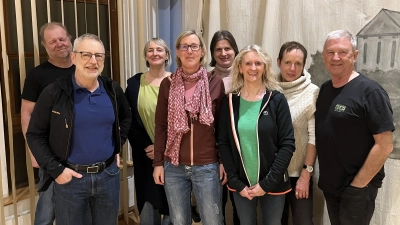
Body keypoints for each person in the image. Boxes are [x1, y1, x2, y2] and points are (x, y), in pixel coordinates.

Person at [26, 33, 132, 225]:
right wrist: (56, 169)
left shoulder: (112, 90)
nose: (93, 61)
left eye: (99, 56)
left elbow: (126, 117)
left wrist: (117, 145)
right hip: (70, 179)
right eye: (86, 54)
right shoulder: (54, 92)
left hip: (108, 176)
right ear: (74, 57)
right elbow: (35, 134)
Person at [315, 30, 394, 225]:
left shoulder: (370, 91)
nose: (336, 58)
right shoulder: (325, 89)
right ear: (324, 56)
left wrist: (358, 185)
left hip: (358, 189)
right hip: (331, 186)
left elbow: (384, 145)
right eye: (330, 52)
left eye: (343, 52)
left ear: (355, 55)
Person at [152, 29, 225, 225]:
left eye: (194, 46)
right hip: (174, 166)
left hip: (207, 166)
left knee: (213, 220)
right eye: (184, 47)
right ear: (177, 51)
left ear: (202, 52)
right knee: (179, 220)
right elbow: (160, 126)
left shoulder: (215, 83)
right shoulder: (167, 84)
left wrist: (222, 161)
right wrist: (158, 163)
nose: (189, 51)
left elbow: (221, 128)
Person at [218, 44, 295, 225]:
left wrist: (266, 184)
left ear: (265, 67)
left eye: (258, 64)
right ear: (240, 67)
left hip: (273, 183)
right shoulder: (230, 101)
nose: (253, 68)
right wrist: (237, 183)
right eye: (248, 63)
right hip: (242, 185)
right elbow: (223, 142)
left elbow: (288, 144)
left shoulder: (276, 100)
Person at [21, 22, 74, 225]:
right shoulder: (37, 75)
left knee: (76, 211)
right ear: (45, 47)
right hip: (50, 153)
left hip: (83, 153)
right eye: (52, 41)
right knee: (47, 210)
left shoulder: (83, 69)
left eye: (62, 38)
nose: (59, 44)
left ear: (69, 39)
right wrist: (33, 152)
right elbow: (26, 114)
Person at [125, 38, 172, 225]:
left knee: (172, 203)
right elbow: (130, 121)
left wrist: (163, 147)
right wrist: (149, 146)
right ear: (146, 56)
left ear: (167, 55)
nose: (155, 53)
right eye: (150, 50)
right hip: (146, 154)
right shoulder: (135, 84)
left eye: (159, 50)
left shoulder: (177, 81)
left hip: (172, 154)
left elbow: (184, 121)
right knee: (148, 203)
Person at [276, 41, 319, 225]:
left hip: (300, 174)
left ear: (304, 65)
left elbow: (314, 137)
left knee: (303, 221)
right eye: (287, 62)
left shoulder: (312, 93)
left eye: (298, 63)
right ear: (279, 62)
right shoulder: (269, 90)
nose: (292, 68)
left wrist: (305, 174)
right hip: (274, 174)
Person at [209, 30, 240, 225]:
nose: (223, 53)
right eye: (218, 49)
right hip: (213, 152)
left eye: (227, 48)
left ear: (235, 50)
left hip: (241, 152)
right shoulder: (206, 79)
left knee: (241, 206)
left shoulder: (247, 76)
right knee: (215, 206)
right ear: (212, 53)